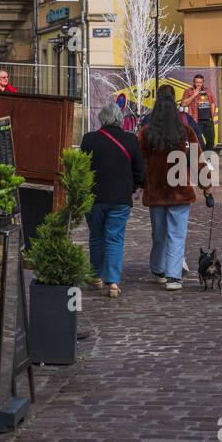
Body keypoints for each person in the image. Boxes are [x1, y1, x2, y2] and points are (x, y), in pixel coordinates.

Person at [80, 103, 145, 298]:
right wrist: (137, 186)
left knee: (96, 237)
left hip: (94, 197)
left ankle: (97, 276)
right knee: (115, 238)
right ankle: (114, 282)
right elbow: (139, 170)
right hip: (120, 198)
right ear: (120, 119)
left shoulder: (89, 139)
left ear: (102, 119)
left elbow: (81, 168)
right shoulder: (130, 140)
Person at [139, 84, 199, 290]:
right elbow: (197, 160)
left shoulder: (146, 133)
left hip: (156, 190)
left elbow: (140, 160)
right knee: (177, 233)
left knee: (159, 233)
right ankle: (174, 276)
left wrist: (139, 184)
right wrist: (207, 187)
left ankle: (158, 268)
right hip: (179, 190)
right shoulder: (186, 132)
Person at [180, 74, 217, 154]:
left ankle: (207, 158)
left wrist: (212, 117)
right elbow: (183, 104)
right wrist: (194, 95)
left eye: (200, 82)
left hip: (208, 120)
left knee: (211, 141)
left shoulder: (207, 90)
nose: (198, 84)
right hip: (196, 120)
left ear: (203, 82)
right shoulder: (189, 91)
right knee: (199, 142)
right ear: (193, 82)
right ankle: (199, 158)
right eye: (196, 82)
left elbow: (213, 103)